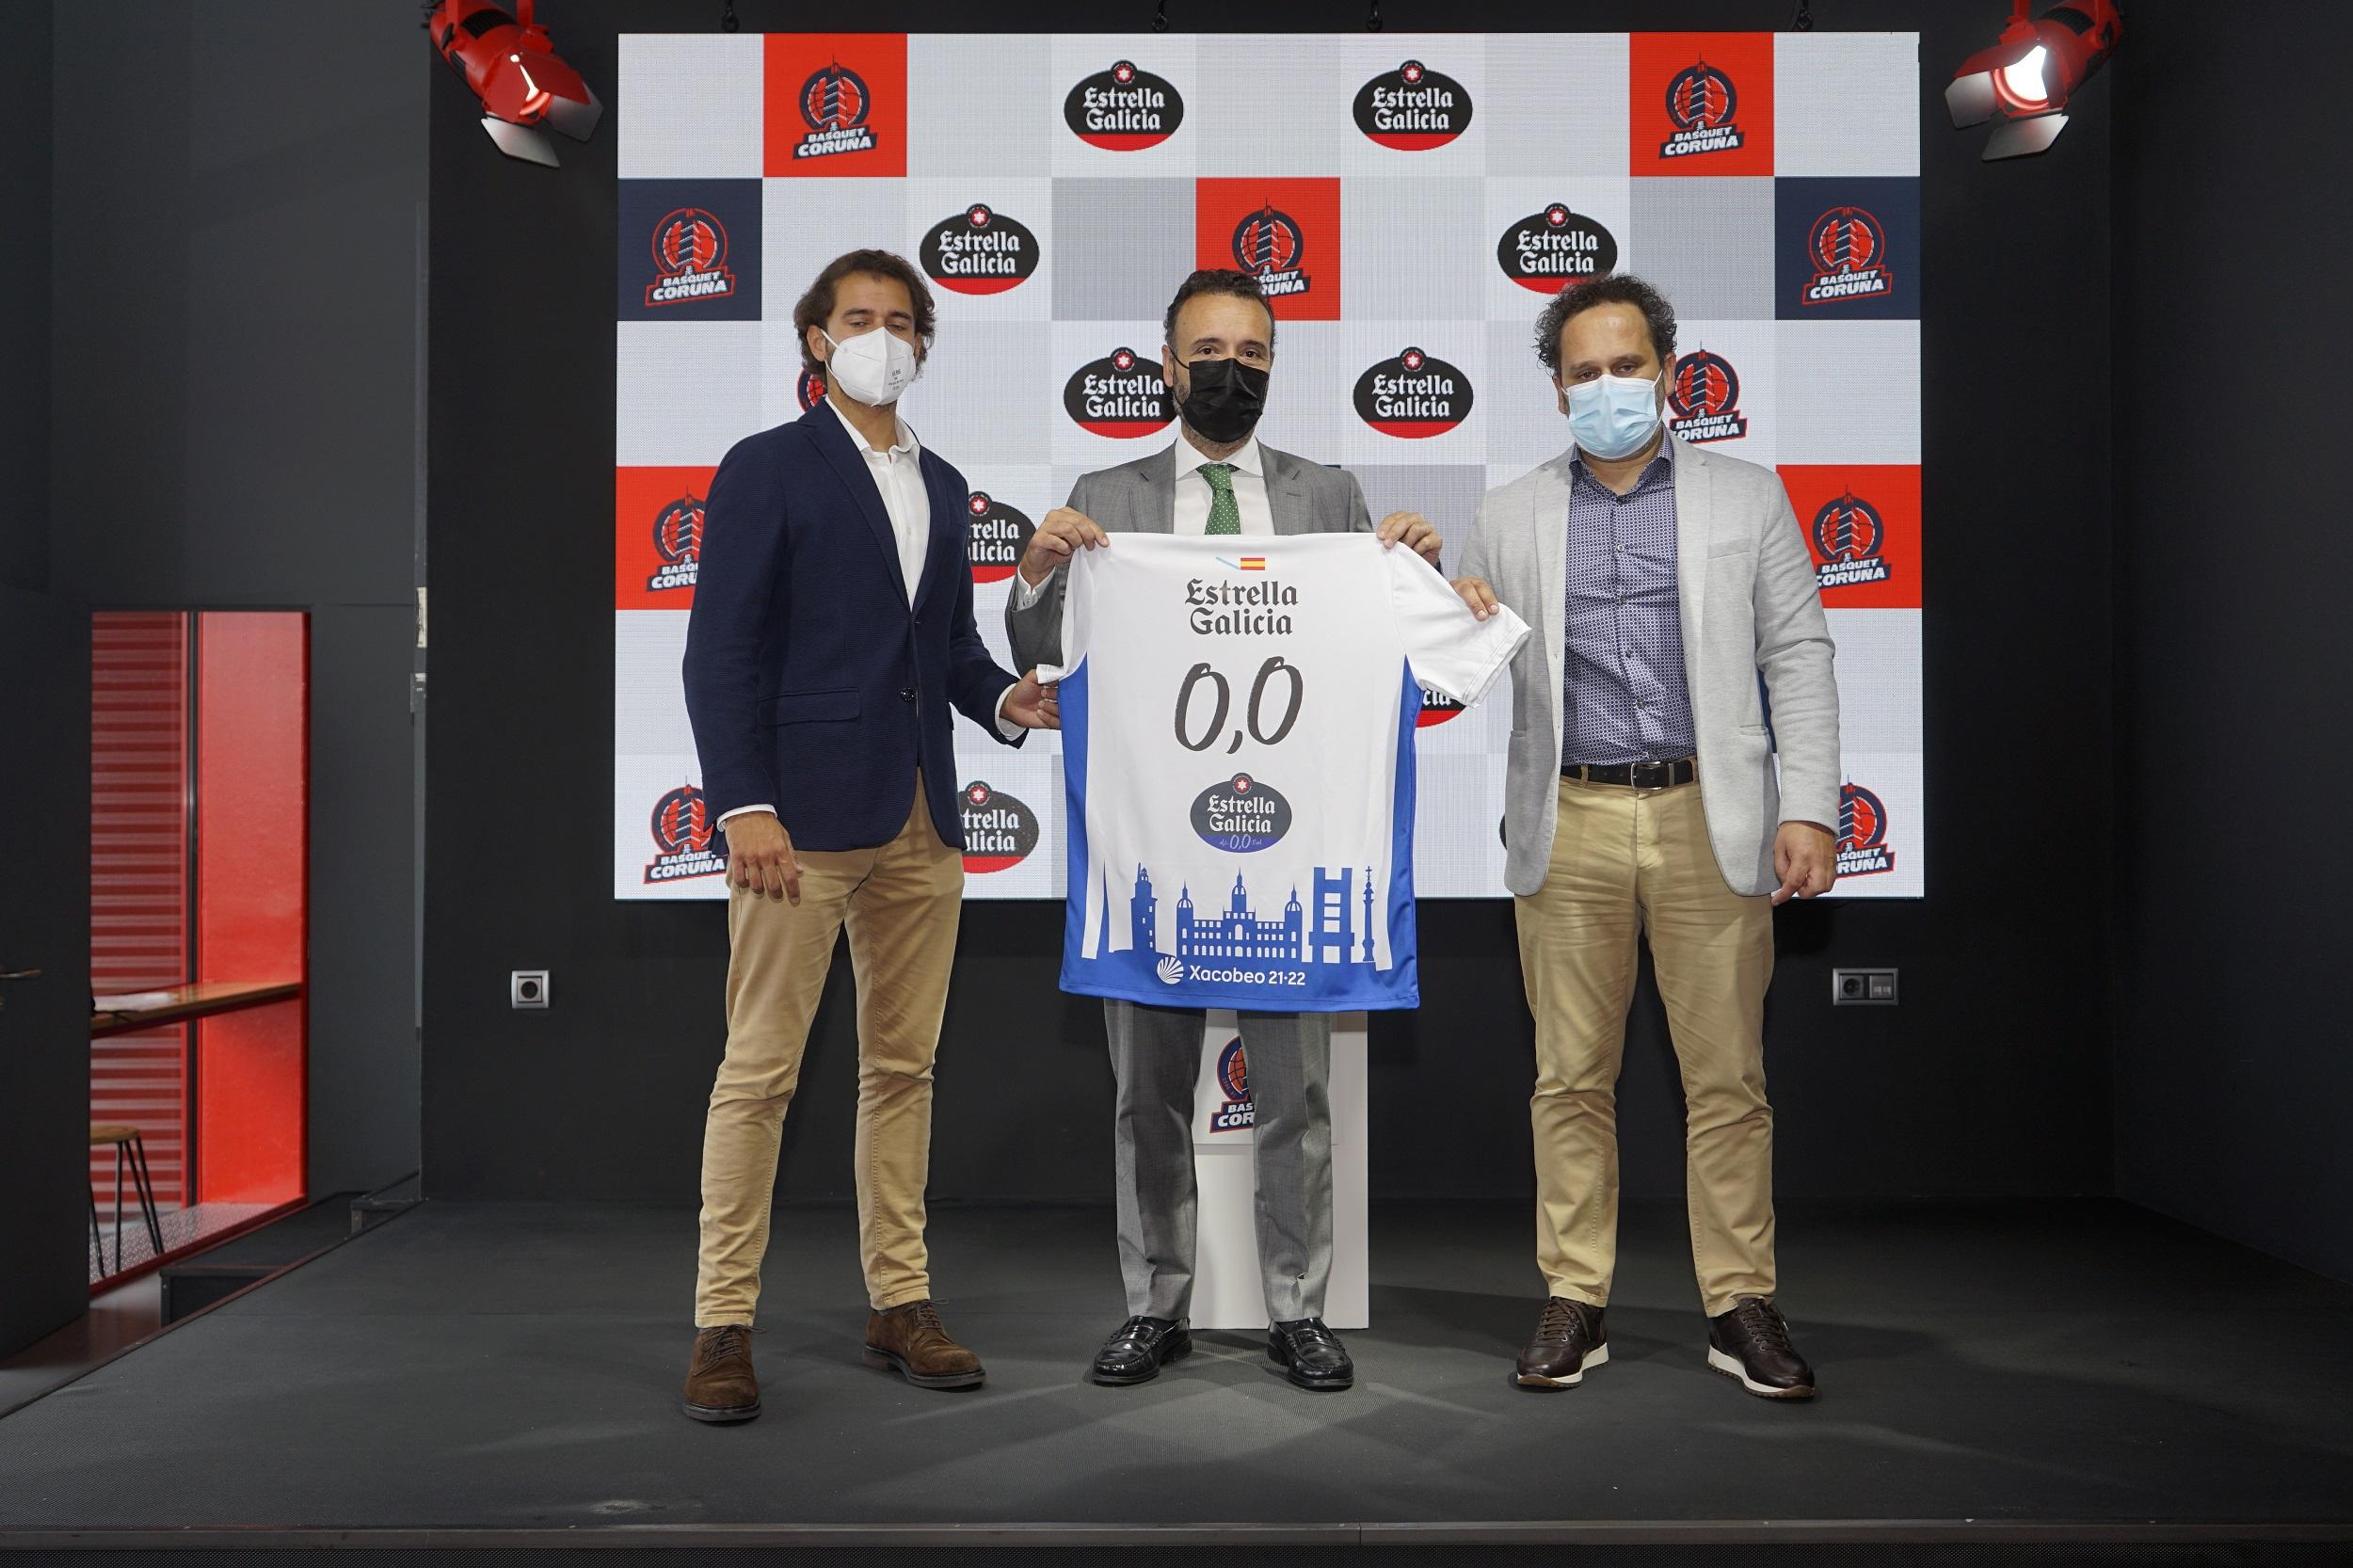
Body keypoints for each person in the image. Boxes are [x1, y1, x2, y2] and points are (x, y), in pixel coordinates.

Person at [1005, 269, 1441, 1392]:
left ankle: (1298, 1308)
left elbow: (1377, 643)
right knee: (1144, 1096)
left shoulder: (1328, 493)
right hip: (1153, 844)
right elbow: (1041, 646)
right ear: (1165, 366)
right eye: (1208, 349)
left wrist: (1414, 573)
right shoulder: (1109, 489)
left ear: (1272, 364)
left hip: (1286, 847)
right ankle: (1158, 1303)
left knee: (1293, 1093)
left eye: (1252, 353)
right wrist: (1036, 570)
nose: (1229, 370)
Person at [677, 248, 1058, 1424]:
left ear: (924, 346)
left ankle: (901, 1300)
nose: (881, 335)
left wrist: (1003, 701)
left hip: (921, 822)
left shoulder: (943, 483)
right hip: (794, 825)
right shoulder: (765, 468)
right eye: (857, 318)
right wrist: (743, 802)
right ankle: (721, 1324)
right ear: (814, 342)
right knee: (759, 1075)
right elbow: (720, 650)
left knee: (902, 1069)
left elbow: (938, 652)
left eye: (900, 320)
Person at [1450, 273, 1841, 1400]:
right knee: (1568, 1077)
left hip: (1705, 816)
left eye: (1627, 365)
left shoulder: (1746, 496)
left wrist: (1808, 803)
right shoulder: (1508, 511)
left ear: (1667, 372)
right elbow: (1456, 668)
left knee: (1727, 1080)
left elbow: (1797, 657)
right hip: (1564, 818)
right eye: (1583, 372)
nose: (1607, 387)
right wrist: (1427, 593)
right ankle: (1575, 1296)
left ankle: (1738, 1304)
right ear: (1555, 387)